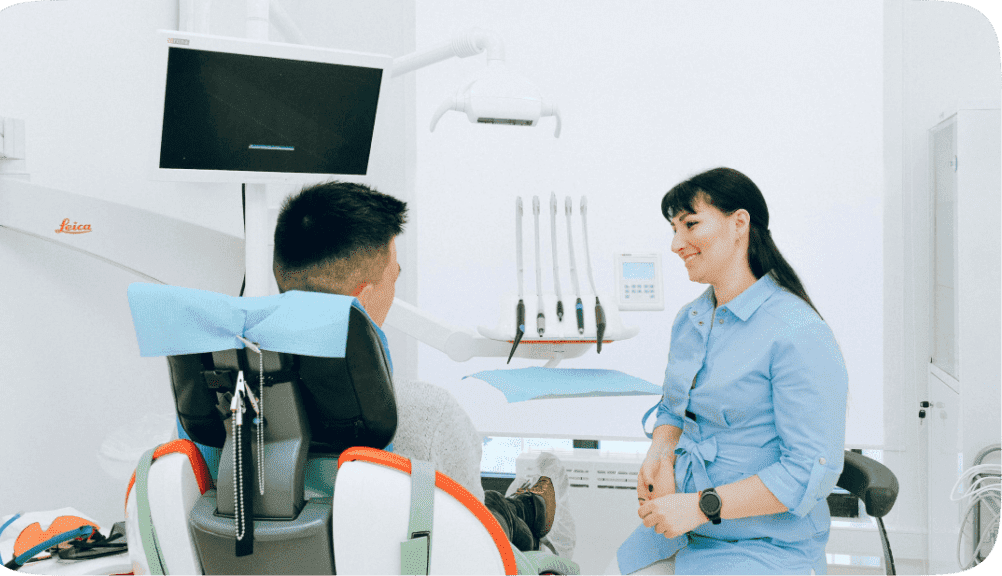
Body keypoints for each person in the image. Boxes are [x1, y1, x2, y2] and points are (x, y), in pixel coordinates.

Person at [271, 180, 575, 560]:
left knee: (493, 506)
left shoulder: (230, 406)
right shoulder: (428, 413)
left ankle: (525, 508)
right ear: (365, 298)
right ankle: (538, 514)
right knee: (505, 519)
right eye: (394, 277)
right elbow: (476, 550)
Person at [622, 167, 848, 575]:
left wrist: (700, 505)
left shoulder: (798, 333)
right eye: (673, 229)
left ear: (739, 223)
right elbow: (674, 408)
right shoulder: (689, 321)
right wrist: (661, 450)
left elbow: (808, 471)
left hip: (763, 545)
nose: (676, 244)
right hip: (684, 532)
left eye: (690, 224)